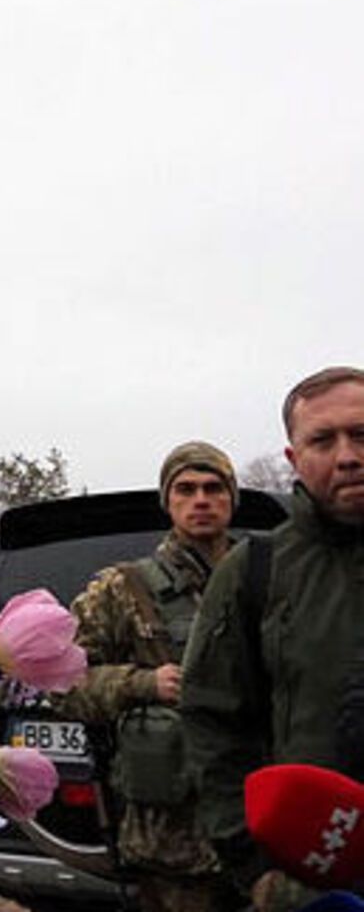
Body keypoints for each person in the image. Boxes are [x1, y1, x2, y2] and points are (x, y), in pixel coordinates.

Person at [182, 366, 364, 912]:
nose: (348, 455)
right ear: (293, 460)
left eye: (361, 434)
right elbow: (210, 721)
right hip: (316, 875)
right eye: (323, 439)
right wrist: (256, 869)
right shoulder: (255, 570)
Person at [59, 441, 243, 912]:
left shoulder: (265, 576)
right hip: (170, 846)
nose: (200, 499)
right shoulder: (124, 588)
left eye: (213, 487)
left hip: (259, 830)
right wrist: (143, 683)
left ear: (230, 498)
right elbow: (62, 682)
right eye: (185, 489)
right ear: (168, 501)